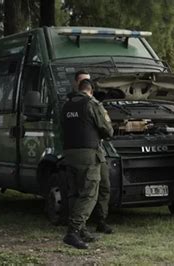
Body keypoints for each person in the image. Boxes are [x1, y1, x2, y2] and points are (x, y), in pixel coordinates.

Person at [61, 79, 114, 249]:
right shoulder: (92, 104)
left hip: (69, 153)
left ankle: (82, 229)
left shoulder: (66, 105)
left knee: (75, 193)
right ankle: (73, 232)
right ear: (91, 91)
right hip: (88, 154)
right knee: (89, 194)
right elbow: (107, 129)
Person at [73, 70, 114, 234]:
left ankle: (101, 220)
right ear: (76, 83)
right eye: (83, 81)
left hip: (97, 150)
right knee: (84, 189)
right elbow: (106, 129)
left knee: (104, 185)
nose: (87, 83)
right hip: (84, 151)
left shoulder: (95, 104)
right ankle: (79, 225)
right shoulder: (75, 103)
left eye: (88, 81)